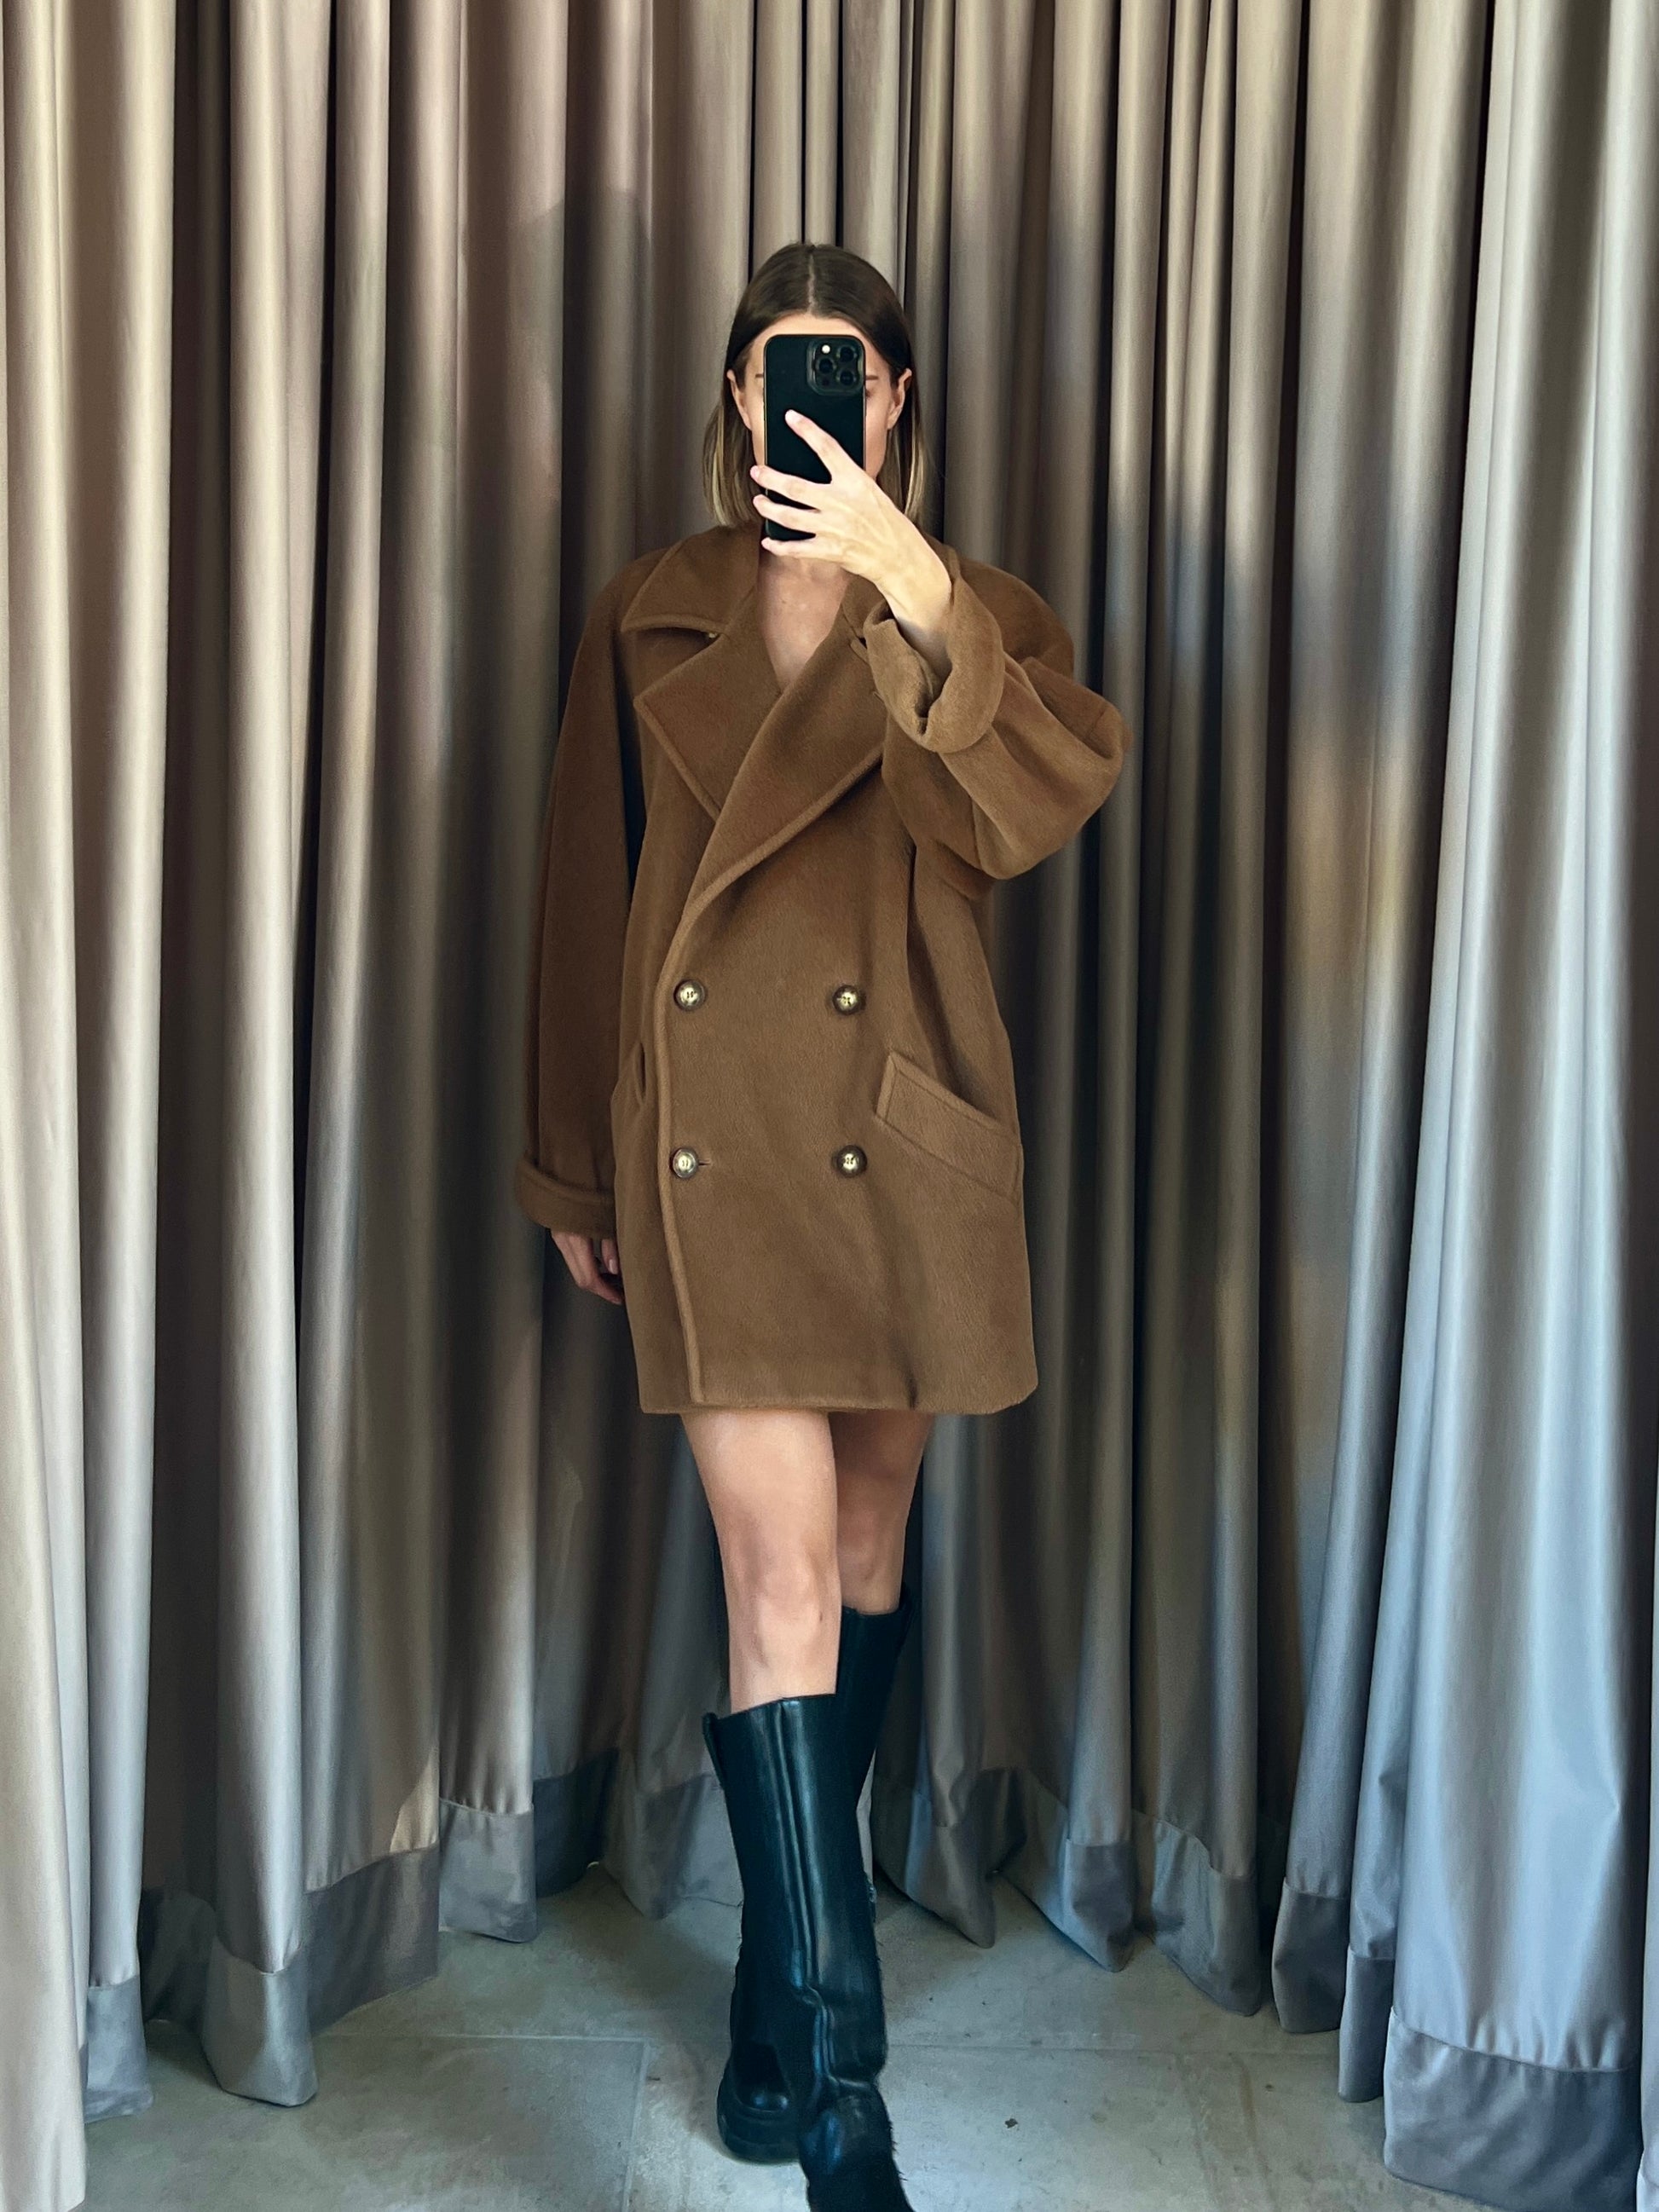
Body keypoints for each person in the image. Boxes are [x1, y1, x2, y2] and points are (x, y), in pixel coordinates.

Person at [514, 241, 1130, 2211]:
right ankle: (847, 2114)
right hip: (716, 1156)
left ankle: (776, 1991)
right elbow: (586, 890)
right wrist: (574, 1166)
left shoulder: (972, 611)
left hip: (906, 1140)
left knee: (864, 1558)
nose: (813, 401)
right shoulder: (653, 607)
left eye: (844, 374)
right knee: (776, 1579)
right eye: (779, 368)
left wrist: (912, 584)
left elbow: (1026, 812)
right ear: (733, 391)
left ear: (894, 398)